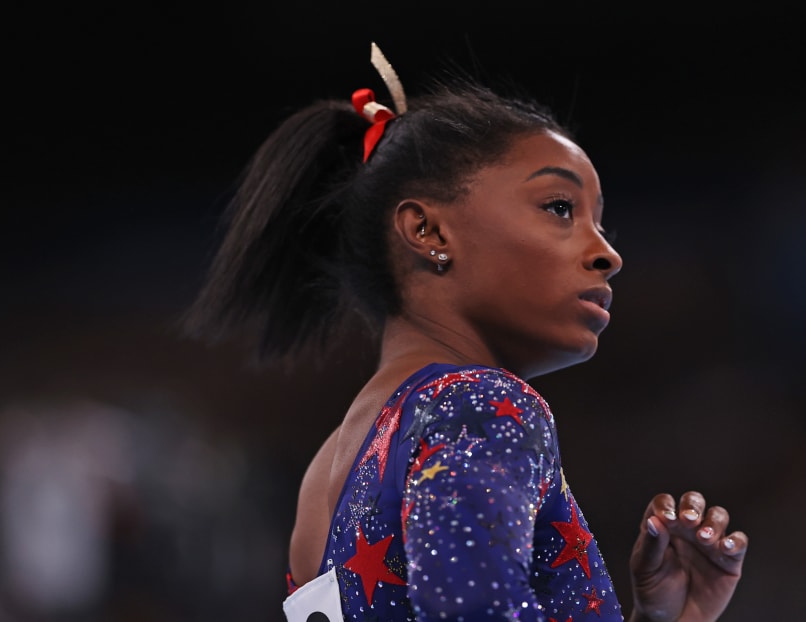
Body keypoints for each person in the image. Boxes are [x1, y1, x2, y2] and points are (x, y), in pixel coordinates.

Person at [185, 43, 748, 622]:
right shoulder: (480, 404)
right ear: (428, 231)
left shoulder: (330, 470)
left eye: (599, 222)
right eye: (560, 207)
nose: (608, 254)